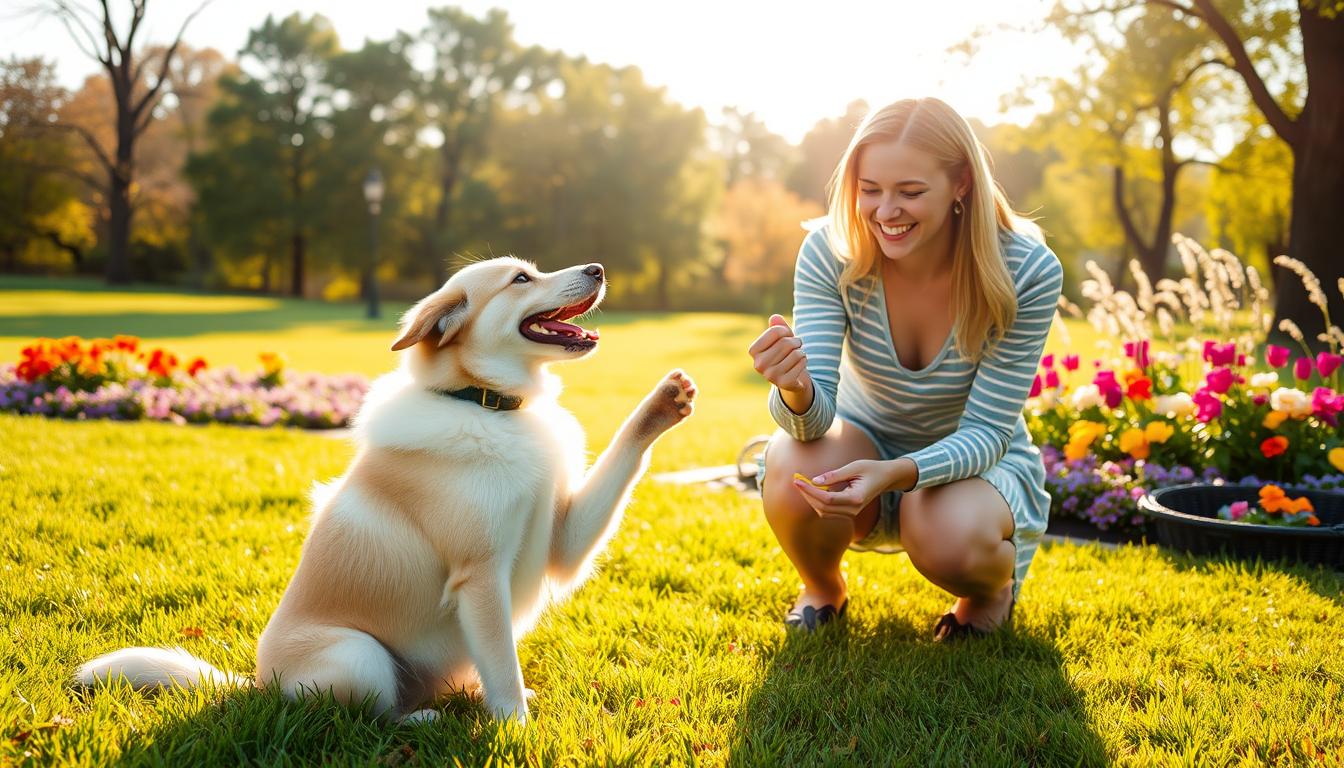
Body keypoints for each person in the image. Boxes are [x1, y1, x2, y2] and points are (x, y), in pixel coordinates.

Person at [747, 97, 1062, 640]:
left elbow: (988, 433)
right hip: (862, 439)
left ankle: (990, 593)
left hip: (975, 471)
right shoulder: (830, 250)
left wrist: (896, 475)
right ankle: (823, 587)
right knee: (789, 462)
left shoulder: (1025, 269)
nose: (885, 211)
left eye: (911, 192)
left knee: (944, 525)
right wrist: (795, 389)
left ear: (961, 182)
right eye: (870, 190)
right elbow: (812, 423)